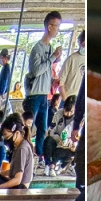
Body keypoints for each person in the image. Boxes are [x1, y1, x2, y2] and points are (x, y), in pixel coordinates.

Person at [25, 11, 61, 157]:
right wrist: (53, 58)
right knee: (28, 126)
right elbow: (36, 71)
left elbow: (46, 71)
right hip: (34, 95)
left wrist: (54, 80)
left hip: (45, 95)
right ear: (49, 27)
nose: (58, 29)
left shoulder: (50, 48)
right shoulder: (37, 49)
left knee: (42, 128)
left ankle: (39, 156)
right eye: (57, 26)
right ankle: (25, 154)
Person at [42, 96, 78, 177]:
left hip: (69, 145)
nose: (68, 114)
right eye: (66, 111)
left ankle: (69, 166)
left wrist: (72, 143)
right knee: (48, 141)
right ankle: (48, 165)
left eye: (71, 111)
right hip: (57, 140)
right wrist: (59, 140)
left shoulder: (78, 119)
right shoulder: (58, 114)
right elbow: (51, 131)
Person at [60, 30, 86, 101]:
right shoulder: (71, 59)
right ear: (79, 43)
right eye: (83, 44)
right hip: (69, 99)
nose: (84, 47)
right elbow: (60, 83)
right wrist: (66, 101)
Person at [0, 49, 13, 114]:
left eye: (1, 58)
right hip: (2, 93)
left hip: (3, 94)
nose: (0, 59)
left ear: (6, 58)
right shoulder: (5, 67)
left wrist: (1, 94)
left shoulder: (6, 68)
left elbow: (4, 82)